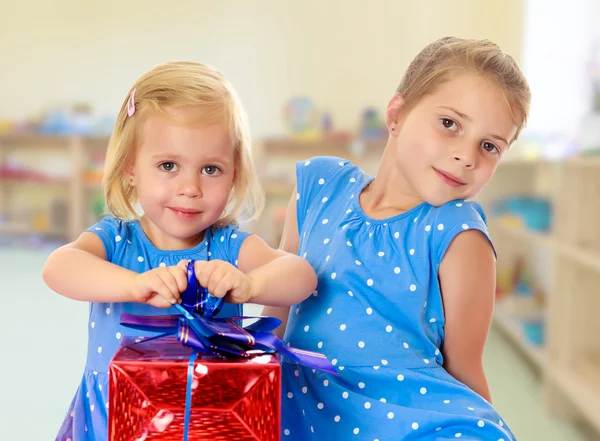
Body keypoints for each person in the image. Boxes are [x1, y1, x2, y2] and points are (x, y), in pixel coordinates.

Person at [264, 36, 530, 440]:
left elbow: (465, 371)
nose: (467, 156)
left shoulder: (460, 232)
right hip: (300, 399)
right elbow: (273, 313)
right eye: (450, 124)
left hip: (407, 418)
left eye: (489, 146)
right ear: (397, 114)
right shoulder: (320, 185)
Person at [43, 61, 317, 441]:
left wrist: (249, 285)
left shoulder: (228, 246)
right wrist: (134, 284)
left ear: (234, 173)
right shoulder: (117, 239)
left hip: (213, 417)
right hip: (114, 417)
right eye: (169, 165)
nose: (191, 187)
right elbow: (59, 267)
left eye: (211, 169)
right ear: (130, 168)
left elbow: (300, 276)